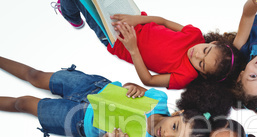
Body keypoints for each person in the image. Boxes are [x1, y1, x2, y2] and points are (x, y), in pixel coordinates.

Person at [0, 56, 211, 137]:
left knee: (24, 104)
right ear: (177, 113)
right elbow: (128, 88)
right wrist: (134, 88)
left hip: (80, 121)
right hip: (93, 88)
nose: (165, 134)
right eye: (174, 127)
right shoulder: (159, 99)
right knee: (36, 76)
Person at [53, 0, 245, 89]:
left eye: (201, 63)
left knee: (83, 2)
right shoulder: (195, 35)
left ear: (202, 74)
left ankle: (69, 14)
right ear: (212, 42)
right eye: (205, 50)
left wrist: (133, 48)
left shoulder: (185, 76)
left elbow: (149, 81)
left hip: (118, 40)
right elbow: (163, 21)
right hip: (132, 16)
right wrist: (136, 19)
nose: (197, 55)